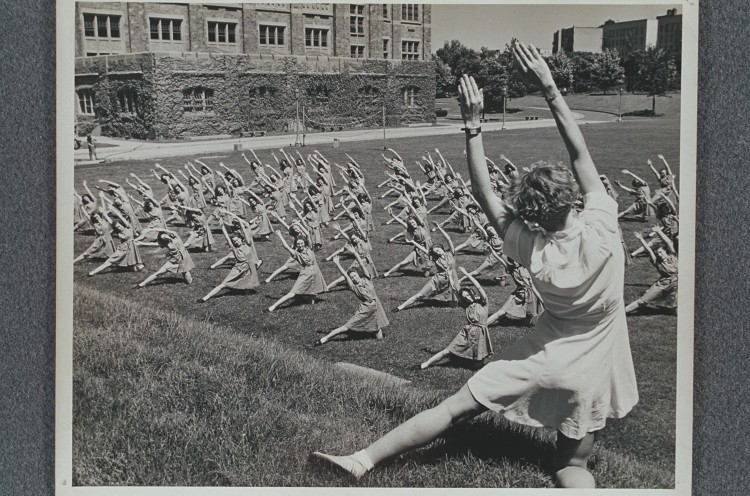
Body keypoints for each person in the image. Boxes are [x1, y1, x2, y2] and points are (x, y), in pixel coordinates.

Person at [311, 43, 638, 489]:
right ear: (571, 199)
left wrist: (472, 127)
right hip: (595, 369)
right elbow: (580, 153)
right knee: (572, 467)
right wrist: (548, 85)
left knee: (451, 409)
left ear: (531, 215)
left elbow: (485, 195)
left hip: (545, 357)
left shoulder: (531, 247)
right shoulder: (602, 225)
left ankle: (361, 461)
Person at [419, 268, 492, 370]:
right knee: (447, 351)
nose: (467, 298)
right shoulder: (466, 306)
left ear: (472, 293)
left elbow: (478, 287)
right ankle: (425, 365)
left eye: (468, 295)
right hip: (467, 332)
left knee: (477, 366)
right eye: (464, 297)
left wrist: (467, 274)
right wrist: (449, 276)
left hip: (480, 334)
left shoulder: (483, 302)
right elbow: (454, 289)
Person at [313, 255, 388, 346]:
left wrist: (354, 253)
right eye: (352, 277)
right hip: (366, 309)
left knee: (378, 332)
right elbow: (345, 275)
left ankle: (378, 339)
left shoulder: (367, 279)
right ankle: (323, 339)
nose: (354, 278)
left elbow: (362, 264)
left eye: (355, 276)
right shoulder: (353, 287)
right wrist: (337, 264)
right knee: (346, 327)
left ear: (359, 275)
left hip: (376, 306)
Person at [266, 232, 326, 312]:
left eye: (301, 243)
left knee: (312, 299)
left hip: (316, 272)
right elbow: (286, 247)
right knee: (292, 293)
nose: (300, 245)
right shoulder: (296, 254)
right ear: (296, 245)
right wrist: (280, 235)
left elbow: (308, 234)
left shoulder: (309, 248)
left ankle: (302, 295)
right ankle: (272, 307)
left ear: (304, 243)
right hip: (306, 274)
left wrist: (298, 223)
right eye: (298, 244)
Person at [199, 224, 260, 302]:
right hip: (239, 268)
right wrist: (222, 227)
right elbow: (227, 238)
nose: (236, 242)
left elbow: (245, 230)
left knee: (247, 287)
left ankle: (245, 294)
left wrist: (240, 222)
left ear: (241, 238)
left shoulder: (248, 244)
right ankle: (205, 298)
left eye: (237, 240)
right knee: (223, 285)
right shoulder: (234, 248)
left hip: (250, 267)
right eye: (234, 241)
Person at [625, 228, 678, 314]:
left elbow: (668, 242)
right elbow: (649, 250)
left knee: (677, 310)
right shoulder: (657, 262)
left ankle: (672, 307)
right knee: (642, 302)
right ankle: (622, 312)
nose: (660, 255)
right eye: (658, 254)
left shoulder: (673, 256)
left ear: (665, 251)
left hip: (677, 283)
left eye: (661, 252)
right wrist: (641, 239)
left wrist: (658, 231)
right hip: (663, 283)